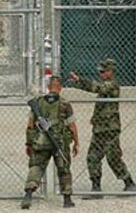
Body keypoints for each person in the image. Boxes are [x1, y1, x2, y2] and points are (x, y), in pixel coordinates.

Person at [70, 59, 136, 197]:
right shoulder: (106, 85)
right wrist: (95, 118)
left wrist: (79, 80)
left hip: (110, 130)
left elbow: (96, 88)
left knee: (113, 158)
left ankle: (129, 183)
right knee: (92, 157)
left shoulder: (112, 85)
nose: (100, 74)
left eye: (103, 71)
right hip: (100, 129)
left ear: (110, 71)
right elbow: (102, 105)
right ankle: (96, 188)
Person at [21, 75, 79, 209]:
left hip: (40, 142)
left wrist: (29, 143)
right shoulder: (65, 103)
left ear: (48, 87)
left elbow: (30, 125)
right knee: (63, 169)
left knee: (36, 167)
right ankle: (67, 199)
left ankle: (28, 195)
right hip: (60, 143)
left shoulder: (38, 102)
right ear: (61, 87)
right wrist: (76, 143)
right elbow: (72, 126)